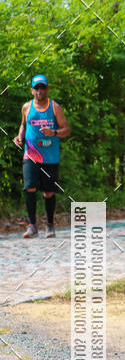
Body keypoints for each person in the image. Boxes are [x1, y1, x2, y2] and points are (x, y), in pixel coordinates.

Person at [13, 74, 70, 238]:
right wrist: (19, 137)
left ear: (47, 89)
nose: (40, 91)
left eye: (42, 87)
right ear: (32, 90)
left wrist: (54, 132)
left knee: (49, 191)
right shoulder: (26, 107)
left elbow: (67, 129)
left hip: (50, 156)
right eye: (36, 88)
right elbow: (23, 125)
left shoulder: (55, 107)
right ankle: (32, 225)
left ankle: (50, 225)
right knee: (29, 187)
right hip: (30, 155)